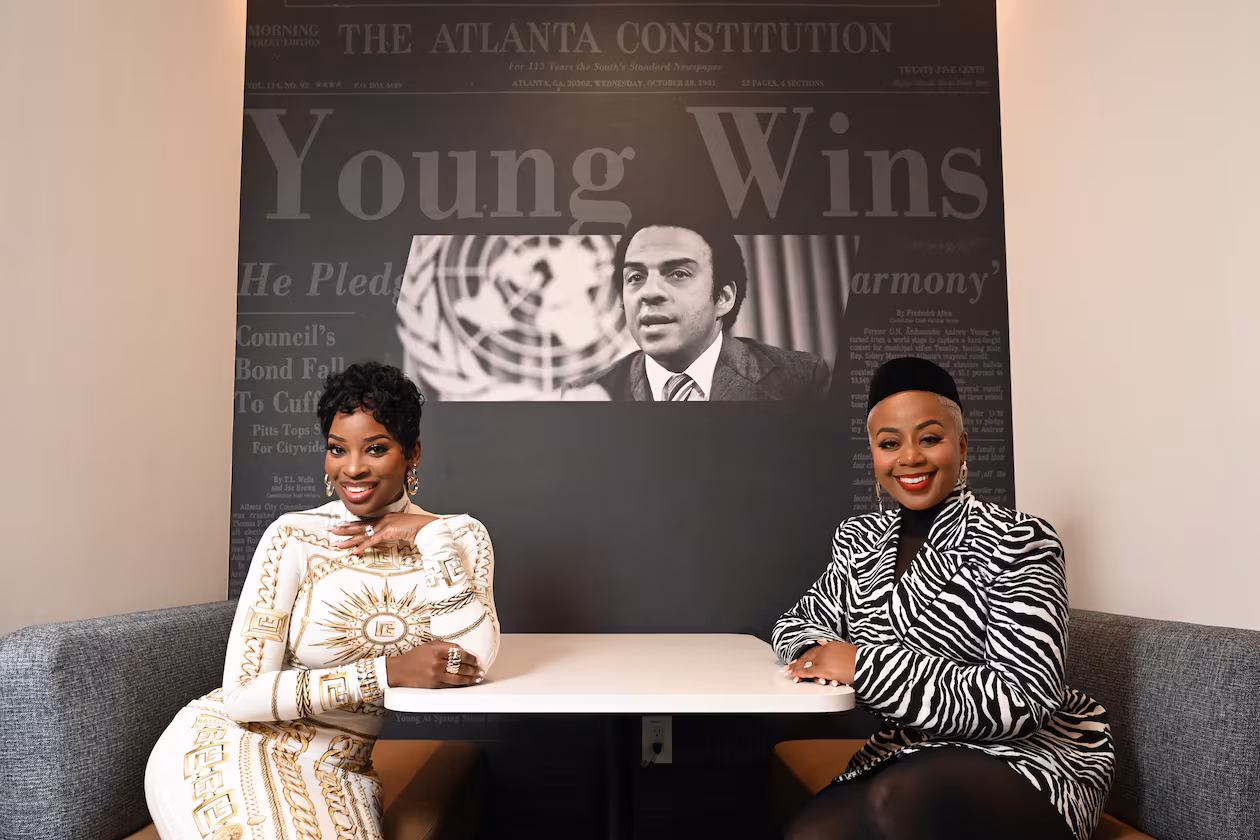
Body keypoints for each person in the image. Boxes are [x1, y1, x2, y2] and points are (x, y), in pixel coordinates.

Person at [145, 361, 499, 840]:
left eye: (376, 448)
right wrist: (387, 672)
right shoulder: (294, 536)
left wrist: (430, 536)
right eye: (337, 450)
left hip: (343, 771)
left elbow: (474, 659)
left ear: (411, 453)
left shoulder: (458, 536)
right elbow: (243, 696)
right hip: (234, 745)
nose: (352, 468)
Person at [772, 357, 1113, 840]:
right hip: (902, 750)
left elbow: (1021, 699)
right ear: (874, 454)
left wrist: (861, 665)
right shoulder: (859, 540)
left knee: (905, 807)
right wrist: (816, 654)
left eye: (929, 438)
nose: (909, 457)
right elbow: (798, 621)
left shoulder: (1019, 540)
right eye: (889, 443)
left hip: (1022, 758)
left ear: (962, 445)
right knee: (812, 834)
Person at [566, 220, 830, 401]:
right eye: (635, 277)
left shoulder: (801, 379)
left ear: (723, 298)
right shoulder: (587, 394)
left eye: (678, 273)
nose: (649, 292)